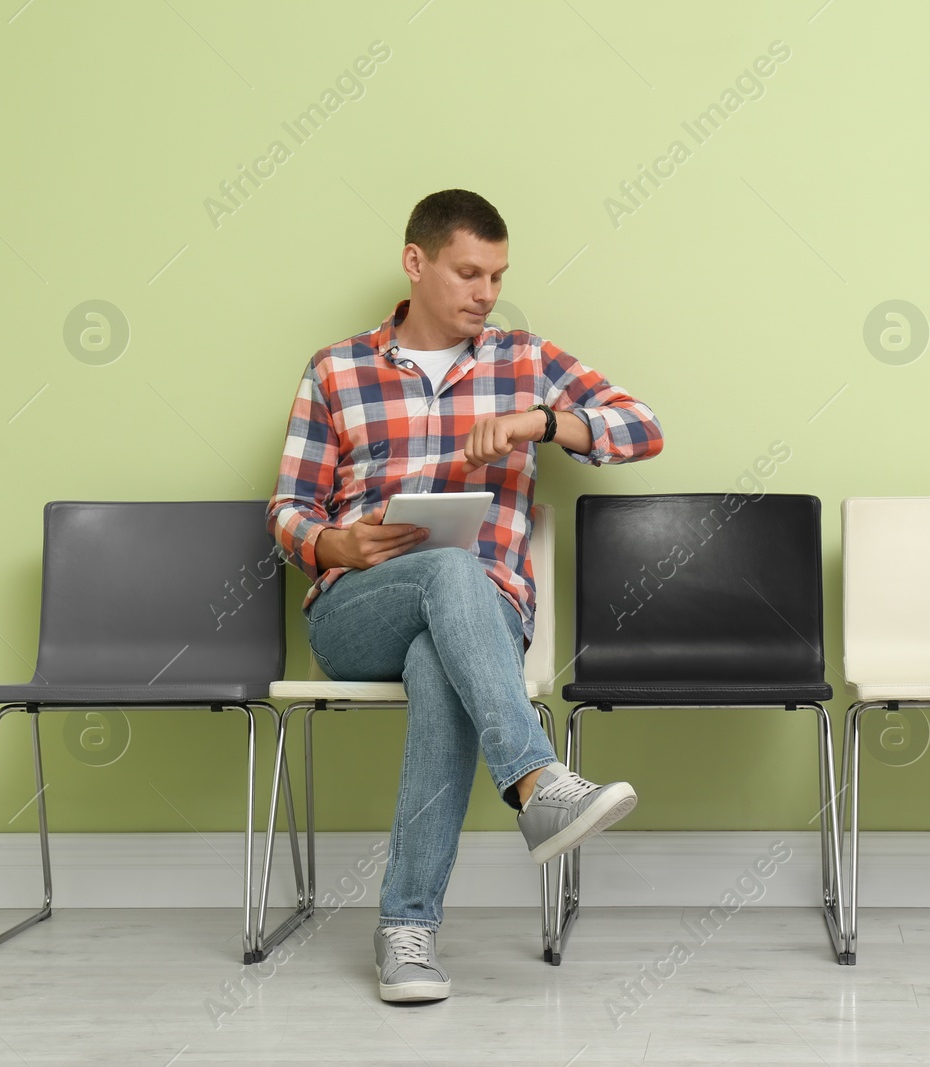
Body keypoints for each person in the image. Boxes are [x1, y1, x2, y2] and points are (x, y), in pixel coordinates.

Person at [266, 188, 664, 1003]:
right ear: (416, 264)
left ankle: (405, 931)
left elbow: (643, 426)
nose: (486, 293)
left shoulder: (524, 361)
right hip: (355, 610)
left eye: (498, 274)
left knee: (441, 647)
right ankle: (536, 783)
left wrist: (543, 424)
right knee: (452, 569)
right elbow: (288, 510)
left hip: (482, 619)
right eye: (468, 272)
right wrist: (334, 543)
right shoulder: (337, 369)